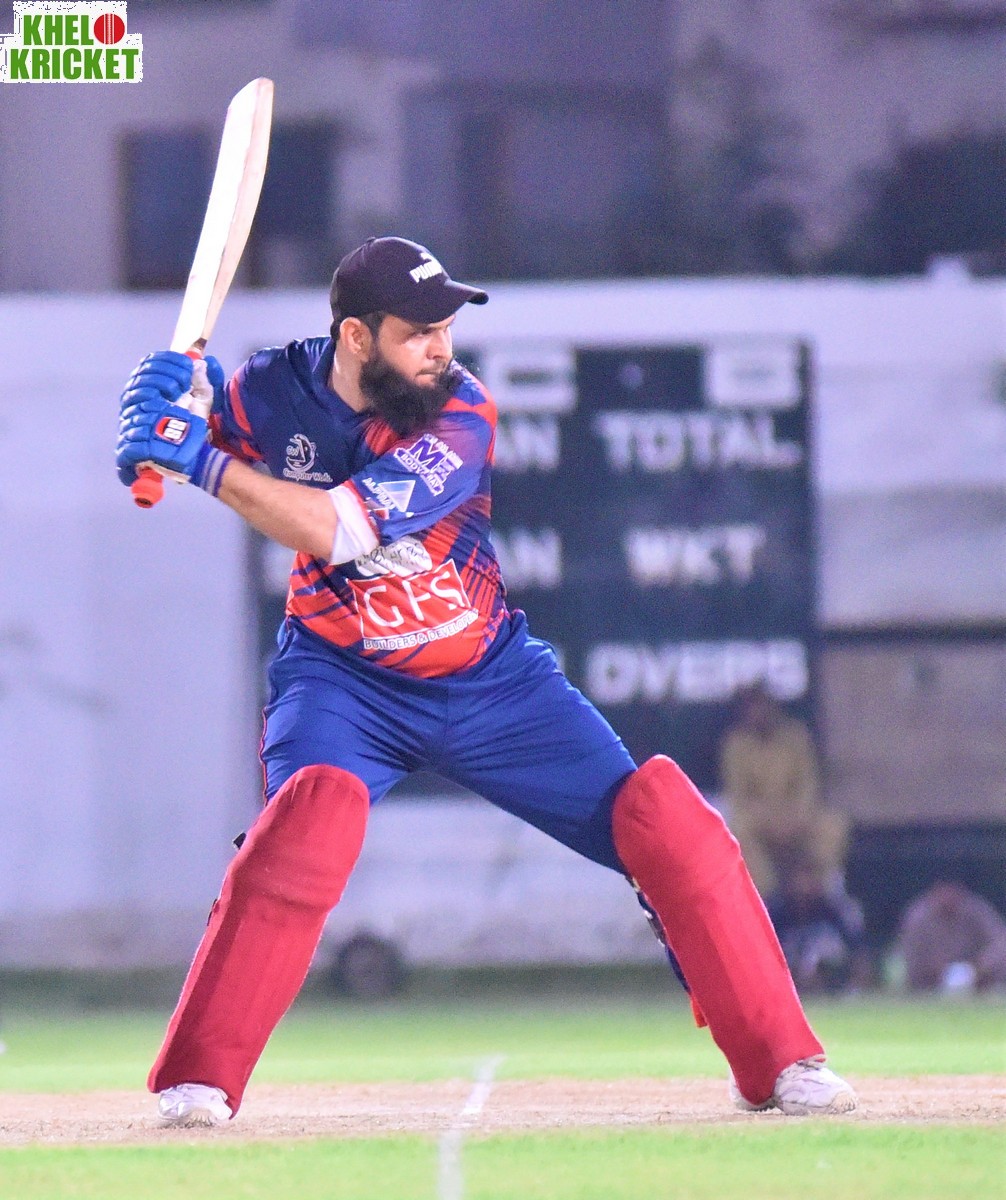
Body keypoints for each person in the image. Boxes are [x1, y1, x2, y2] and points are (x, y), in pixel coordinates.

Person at [115, 236, 857, 1127]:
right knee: (307, 824)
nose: (442, 348)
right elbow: (197, 435)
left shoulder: (458, 412)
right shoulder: (271, 387)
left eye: (447, 329)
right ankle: (197, 1081)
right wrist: (170, 415)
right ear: (355, 336)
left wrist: (195, 459)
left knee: (666, 823)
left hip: (490, 680)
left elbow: (336, 529)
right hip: (341, 679)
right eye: (418, 332)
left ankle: (781, 1065)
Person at [719, 682, 850, 899]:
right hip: (759, 820)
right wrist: (770, 820)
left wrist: (795, 817)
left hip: (797, 816)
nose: (758, 713)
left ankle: (818, 889)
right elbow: (738, 796)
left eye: (761, 705)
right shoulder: (735, 744)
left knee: (834, 826)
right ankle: (767, 897)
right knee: (738, 831)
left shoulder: (796, 736)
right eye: (752, 707)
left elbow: (809, 784)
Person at [765, 851, 870, 996]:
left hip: (835, 993)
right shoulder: (773, 913)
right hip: (787, 990)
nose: (803, 885)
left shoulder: (837, 912)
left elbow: (860, 957)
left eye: (810, 876)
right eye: (798, 877)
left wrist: (853, 986)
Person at [897, 881, 1006, 993]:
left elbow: (999, 942)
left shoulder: (977, 912)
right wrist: (935, 969)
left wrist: (978, 966)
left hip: (978, 974)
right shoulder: (918, 918)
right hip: (930, 981)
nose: (947, 896)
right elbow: (911, 953)